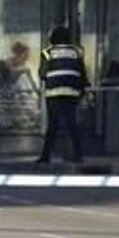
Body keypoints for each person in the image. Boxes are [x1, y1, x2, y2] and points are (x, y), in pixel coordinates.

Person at [36, 26, 88, 165]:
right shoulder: (77, 51)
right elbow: (82, 71)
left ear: (52, 38)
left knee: (53, 125)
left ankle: (45, 156)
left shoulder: (47, 52)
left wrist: (51, 77)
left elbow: (42, 73)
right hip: (72, 91)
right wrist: (82, 88)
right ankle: (78, 155)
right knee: (72, 124)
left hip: (54, 92)